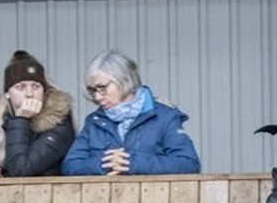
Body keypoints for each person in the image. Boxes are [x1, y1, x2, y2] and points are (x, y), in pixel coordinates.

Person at [60, 50, 200, 176]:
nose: (97, 97)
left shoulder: (164, 116)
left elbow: (188, 163)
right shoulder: (94, 121)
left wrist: (132, 163)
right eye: (93, 90)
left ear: (124, 80)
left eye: (102, 88)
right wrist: (105, 163)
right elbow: (70, 166)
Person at [0, 50, 75, 178]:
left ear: (44, 91)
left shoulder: (58, 121)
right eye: (21, 87)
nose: (29, 94)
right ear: (8, 93)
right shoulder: (2, 123)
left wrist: (21, 119)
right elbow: (11, 170)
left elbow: (21, 169)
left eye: (36, 86)